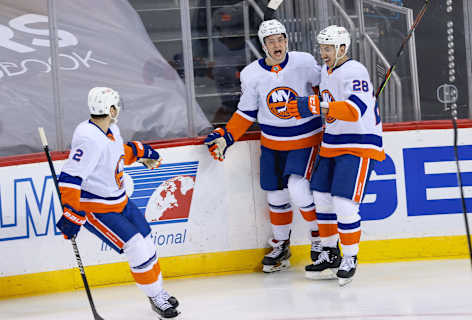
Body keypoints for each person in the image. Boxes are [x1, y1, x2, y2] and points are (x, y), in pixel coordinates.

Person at [204, 19, 323, 273]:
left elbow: (325, 91)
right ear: (263, 45)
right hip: (272, 144)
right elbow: (247, 112)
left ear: (287, 41)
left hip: (305, 140)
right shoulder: (251, 74)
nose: (277, 45)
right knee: (275, 195)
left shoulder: (303, 62)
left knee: (299, 190)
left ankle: (320, 239)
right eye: (271, 41)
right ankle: (281, 244)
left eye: (280, 39)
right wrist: (228, 136)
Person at [55, 87, 180, 319]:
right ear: (111, 109)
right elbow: (70, 177)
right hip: (98, 209)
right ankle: (155, 297)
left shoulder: (111, 129)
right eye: (117, 106)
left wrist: (140, 152)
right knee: (137, 247)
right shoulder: (87, 138)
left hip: (121, 201)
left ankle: (158, 291)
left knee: (147, 243)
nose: (118, 109)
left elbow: (116, 153)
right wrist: (72, 213)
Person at [287, 25, 385, 286]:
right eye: (322, 48)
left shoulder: (355, 71)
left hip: (359, 145)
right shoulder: (326, 70)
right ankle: (330, 252)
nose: (324, 53)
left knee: (344, 203)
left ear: (343, 48)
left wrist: (313, 104)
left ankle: (350, 257)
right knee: (321, 198)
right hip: (332, 143)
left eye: (328, 48)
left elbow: (354, 111)